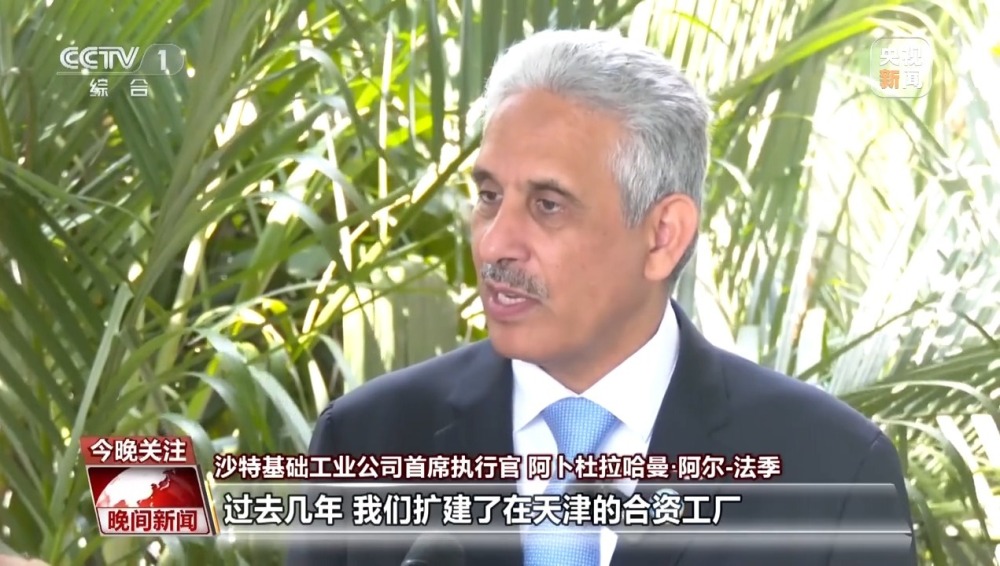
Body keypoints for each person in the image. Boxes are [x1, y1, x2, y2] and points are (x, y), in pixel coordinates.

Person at [289, 28, 917, 566]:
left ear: (663, 236)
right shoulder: (363, 444)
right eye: (488, 197)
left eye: (548, 205)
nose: (495, 243)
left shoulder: (833, 473)